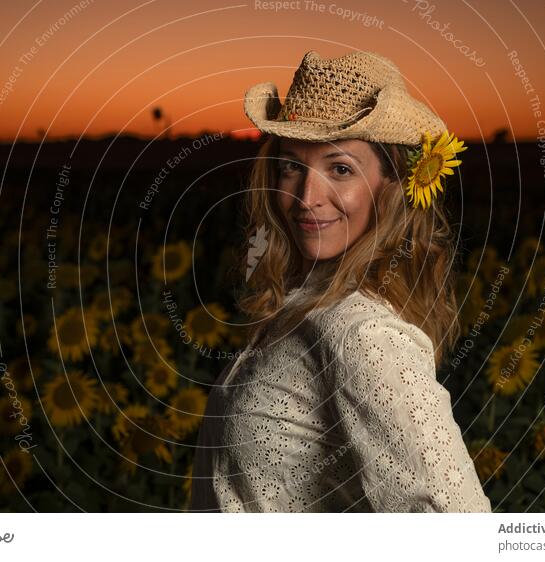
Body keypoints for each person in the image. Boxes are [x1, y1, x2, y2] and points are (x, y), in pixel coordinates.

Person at [188, 50, 491, 512]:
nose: (307, 198)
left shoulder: (363, 334)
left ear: (392, 186)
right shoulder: (308, 303)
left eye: (341, 169)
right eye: (292, 166)